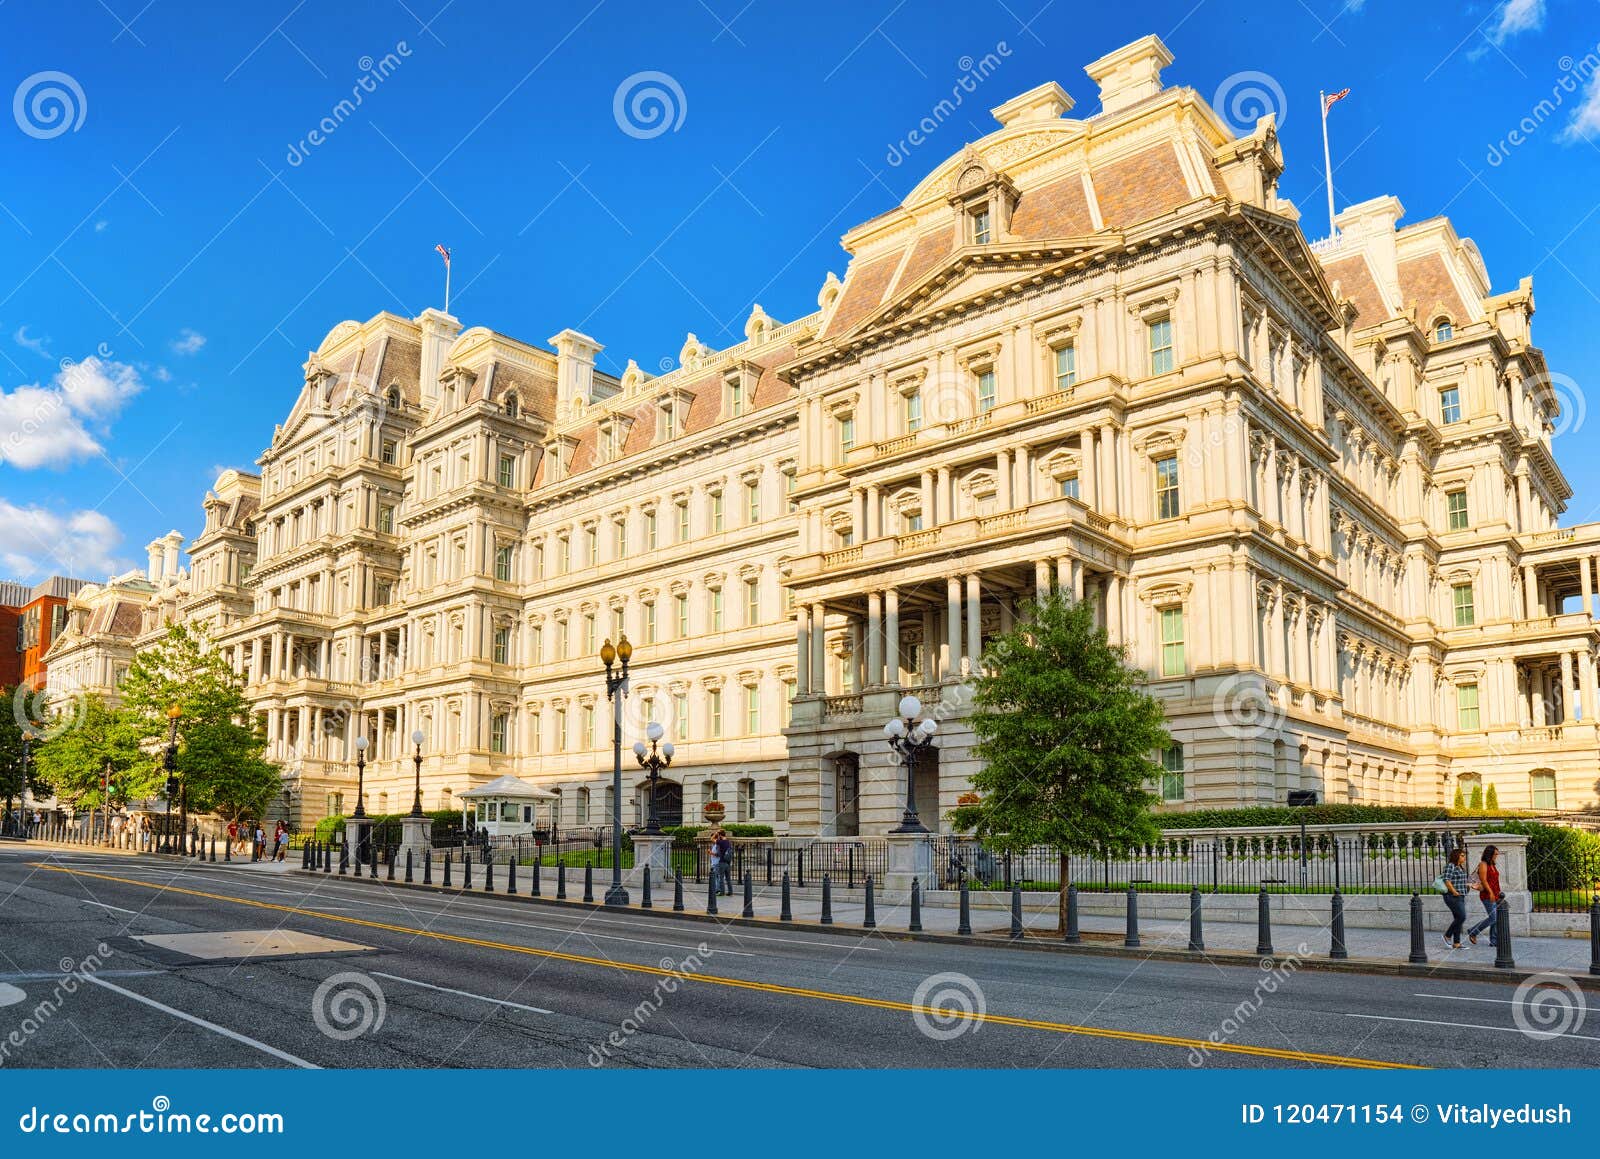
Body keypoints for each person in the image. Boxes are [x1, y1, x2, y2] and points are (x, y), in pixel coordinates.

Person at [1467, 845, 1503, 947]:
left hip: (1496, 894)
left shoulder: (1492, 864)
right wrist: (1491, 892)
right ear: (1489, 854)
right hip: (1487, 895)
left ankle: (1494, 940)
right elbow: (1483, 880)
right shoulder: (1483, 864)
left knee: (1495, 918)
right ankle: (1473, 932)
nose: (1497, 856)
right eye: (1495, 854)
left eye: (1497, 854)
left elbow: (1494, 881)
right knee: (1493, 918)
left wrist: (1498, 893)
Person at [1440, 847, 1469, 949]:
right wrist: (1454, 891)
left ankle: (1456, 943)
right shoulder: (1450, 866)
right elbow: (1446, 880)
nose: (1464, 857)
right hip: (1452, 896)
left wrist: (1470, 886)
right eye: (1462, 855)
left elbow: (1461, 882)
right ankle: (1447, 935)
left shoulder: (1461, 867)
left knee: (1458, 918)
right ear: (1456, 856)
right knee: (1462, 917)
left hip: (1460, 896)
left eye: (1464, 855)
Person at [713, 829, 735, 895]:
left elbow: (712, 839)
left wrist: (715, 833)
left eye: (719, 835)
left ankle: (722, 892)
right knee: (728, 879)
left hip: (722, 862)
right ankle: (730, 892)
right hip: (728, 863)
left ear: (720, 835)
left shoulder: (720, 842)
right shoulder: (728, 842)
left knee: (721, 878)